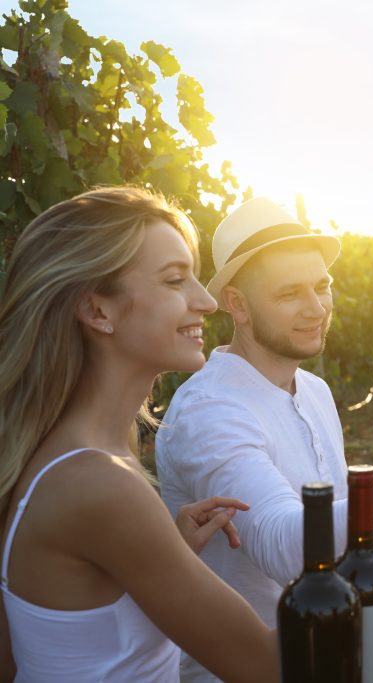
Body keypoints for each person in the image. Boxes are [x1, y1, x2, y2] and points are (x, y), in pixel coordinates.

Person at [156, 197, 373, 682]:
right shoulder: (209, 411)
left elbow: (342, 532)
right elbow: (289, 549)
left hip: (339, 641)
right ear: (237, 303)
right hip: (265, 668)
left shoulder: (314, 390)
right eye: (290, 294)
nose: (317, 307)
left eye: (322, 286)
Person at [0, 187, 278, 682]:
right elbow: (268, 667)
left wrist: (163, 552)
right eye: (175, 280)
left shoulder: (77, 455)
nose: (207, 300)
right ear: (99, 311)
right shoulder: (99, 483)